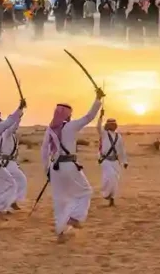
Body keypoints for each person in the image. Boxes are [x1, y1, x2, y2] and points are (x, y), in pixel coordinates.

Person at [41, 87, 105, 241]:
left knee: (60, 200)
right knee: (85, 192)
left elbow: (44, 151)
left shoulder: (49, 130)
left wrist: (47, 170)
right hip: (69, 165)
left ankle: (60, 232)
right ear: (68, 114)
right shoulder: (70, 126)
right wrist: (98, 99)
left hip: (54, 168)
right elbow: (89, 117)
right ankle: (75, 218)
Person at [96, 109, 128, 206]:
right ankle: (106, 194)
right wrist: (100, 116)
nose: (113, 126)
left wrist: (124, 161)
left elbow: (122, 150)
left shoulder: (119, 136)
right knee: (108, 178)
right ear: (108, 125)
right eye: (111, 124)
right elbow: (98, 127)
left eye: (114, 124)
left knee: (115, 180)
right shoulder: (104, 134)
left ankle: (112, 199)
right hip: (106, 160)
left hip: (115, 162)